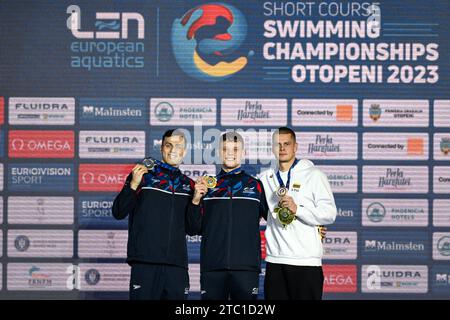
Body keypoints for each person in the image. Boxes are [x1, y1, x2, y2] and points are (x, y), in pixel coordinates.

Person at [112, 129, 201, 300]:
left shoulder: (189, 185)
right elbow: (118, 212)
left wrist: (196, 201)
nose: (173, 150)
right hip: (145, 263)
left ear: (184, 151)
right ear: (162, 148)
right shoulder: (143, 176)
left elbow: (193, 229)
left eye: (178, 146)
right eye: (169, 145)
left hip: (177, 266)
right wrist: (133, 185)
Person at [259, 127, 337, 300]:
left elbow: (330, 213)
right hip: (275, 260)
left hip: (306, 262)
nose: (282, 148)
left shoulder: (314, 175)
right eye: (277, 144)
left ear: (295, 147)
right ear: (272, 148)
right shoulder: (265, 178)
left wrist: (298, 209)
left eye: (287, 144)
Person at [188, 132, 269, 300]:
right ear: (219, 152)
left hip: (246, 268)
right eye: (225, 149)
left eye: (235, 149)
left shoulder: (255, 186)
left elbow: (275, 221)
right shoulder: (207, 186)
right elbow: (193, 228)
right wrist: (195, 200)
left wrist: (311, 229)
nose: (230, 153)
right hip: (213, 268)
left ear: (243, 153)